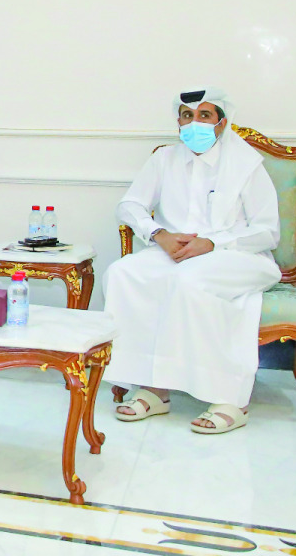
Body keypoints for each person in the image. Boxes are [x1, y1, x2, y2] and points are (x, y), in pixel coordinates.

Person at [106, 87, 280, 434]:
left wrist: (212, 242)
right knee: (122, 273)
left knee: (190, 282)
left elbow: (267, 232)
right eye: (187, 116)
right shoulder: (164, 159)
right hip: (176, 253)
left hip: (238, 256)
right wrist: (158, 234)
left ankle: (231, 397)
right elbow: (129, 206)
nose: (194, 123)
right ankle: (153, 388)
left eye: (204, 115)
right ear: (178, 122)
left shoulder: (246, 165)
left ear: (221, 123)